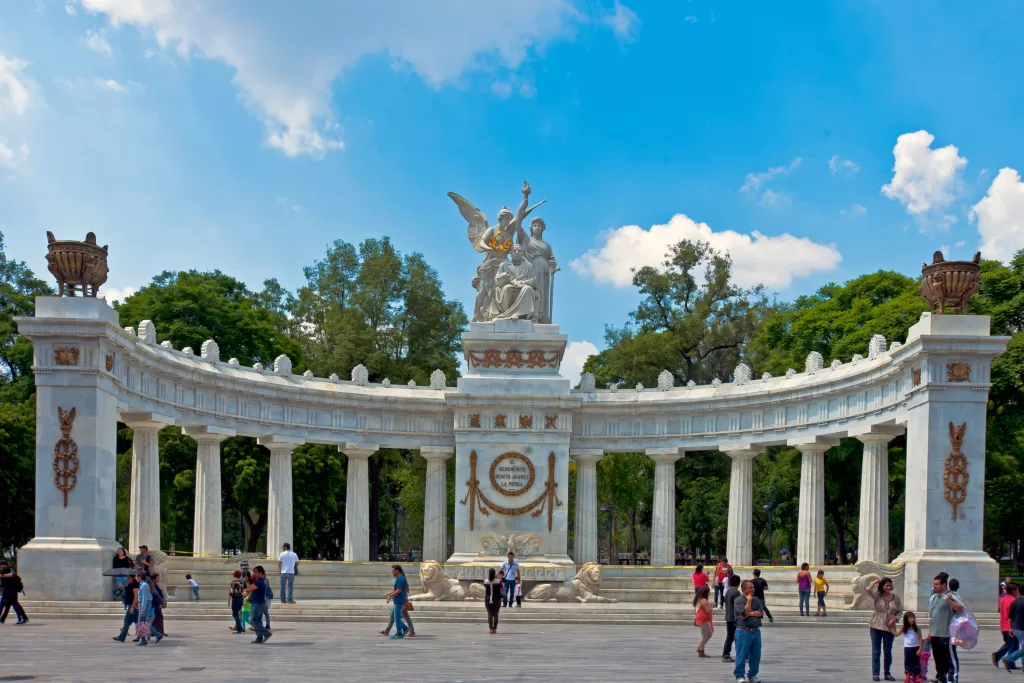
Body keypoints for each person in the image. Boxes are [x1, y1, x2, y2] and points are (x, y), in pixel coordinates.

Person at [929, 571, 964, 683]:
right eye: (933, 584)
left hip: (947, 634)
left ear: (944, 585)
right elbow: (932, 616)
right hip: (935, 634)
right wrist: (930, 631)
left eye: (937, 584)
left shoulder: (951, 596)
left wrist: (949, 600)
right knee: (938, 658)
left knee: (949, 658)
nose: (934, 586)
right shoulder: (933, 597)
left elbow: (960, 609)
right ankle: (941, 677)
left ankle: (952, 678)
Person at [867, 577, 903, 681]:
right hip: (876, 625)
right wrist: (874, 582)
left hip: (889, 627)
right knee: (876, 651)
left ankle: (887, 673)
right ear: (882, 586)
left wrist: (895, 618)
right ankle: (875, 673)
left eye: (890, 585)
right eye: (886, 585)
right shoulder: (878, 596)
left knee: (887, 651)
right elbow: (868, 590)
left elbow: (900, 611)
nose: (888, 587)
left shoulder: (896, 598)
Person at [733, 579, 764, 683]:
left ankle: (753, 675)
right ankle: (740, 675)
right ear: (743, 589)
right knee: (741, 654)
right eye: (750, 588)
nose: (753, 589)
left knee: (756, 655)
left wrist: (749, 613)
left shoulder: (757, 599)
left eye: (753, 587)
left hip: (756, 631)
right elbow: (743, 614)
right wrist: (749, 601)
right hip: (743, 631)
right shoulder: (738, 600)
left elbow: (760, 613)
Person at [994, 582, 1019, 670]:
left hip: (1004, 625)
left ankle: (998, 656)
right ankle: (1008, 662)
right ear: (1013, 591)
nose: (1018, 592)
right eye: (1017, 590)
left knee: (1009, 644)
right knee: (1014, 646)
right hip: (1010, 626)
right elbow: (1011, 615)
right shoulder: (1013, 600)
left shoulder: (1003, 599)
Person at [245, 565, 273, 644]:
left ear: (260, 573)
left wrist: (246, 585)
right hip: (261, 603)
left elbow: (250, 589)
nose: (254, 573)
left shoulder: (259, 581)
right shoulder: (264, 580)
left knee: (253, 620)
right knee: (258, 621)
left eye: (255, 572)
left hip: (257, 604)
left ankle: (266, 633)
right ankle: (259, 637)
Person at [134, 571, 163, 645]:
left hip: (145, 604)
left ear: (139, 577)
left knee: (142, 622)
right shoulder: (143, 585)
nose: (135, 578)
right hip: (144, 604)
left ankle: (153, 636)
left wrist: (142, 609)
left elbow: (145, 598)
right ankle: (144, 638)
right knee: (143, 622)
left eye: (136, 576)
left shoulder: (144, 585)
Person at [1002, 579, 1024, 671]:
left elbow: (1010, 617)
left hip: (1015, 628)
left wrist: (1010, 628)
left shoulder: (1015, 601)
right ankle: (1009, 658)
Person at [383, 565, 410, 640]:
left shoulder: (401, 578)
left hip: (399, 601)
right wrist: (389, 595)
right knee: (392, 616)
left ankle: (399, 633)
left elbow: (399, 590)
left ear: (397, 570)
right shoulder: (399, 578)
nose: (392, 572)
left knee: (397, 618)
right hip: (397, 601)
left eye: (393, 570)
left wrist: (390, 595)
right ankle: (405, 628)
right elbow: (396, 590)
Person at [895, 612, 922, 683]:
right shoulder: (904, 627)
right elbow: (896, 634)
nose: (912, 619)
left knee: (916, 662)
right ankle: (908, 675)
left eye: (913, 617)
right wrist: (890, 627)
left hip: (916, 647)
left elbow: (920, 638)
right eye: (910, 618)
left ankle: (917, 676)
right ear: (906, 619)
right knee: (907, 662)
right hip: (907, 648)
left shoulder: (917, 628)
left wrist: (920, 648)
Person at [112, 573, 140, 642]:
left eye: (128, 578)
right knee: (137, 621)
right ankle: (141, 636)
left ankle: (122, 637)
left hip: (133, 605)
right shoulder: (130, 584)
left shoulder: (135, 585)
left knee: (127, 621)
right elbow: (127, 593)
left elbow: (136, 597)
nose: (127, 579)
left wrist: (132, 607)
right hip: (132, 605)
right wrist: (124, 587)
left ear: (132, 578)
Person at [721, 574, 742, 662]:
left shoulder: (728, 591)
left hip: (728, 617)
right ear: (739, 583)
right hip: (734, 618)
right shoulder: (736, 592)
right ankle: (730, 654)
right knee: (736, 637)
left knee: (730, 637)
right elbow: (738, 606)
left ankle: (726, 654)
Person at [693, 586, 714, 658]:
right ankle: (701, 651)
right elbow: (708, 611)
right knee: (704, 635)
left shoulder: (699, 599)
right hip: (703, 619)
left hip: (701, 618)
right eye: (708, 592)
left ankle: (700, 647)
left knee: (709, 634)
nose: (709, 593)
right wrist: (711, 606)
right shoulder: (704, 600)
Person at [484, 568, 502, 633]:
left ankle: (490, 629)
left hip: (488, 599)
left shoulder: (486, 581)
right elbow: (501, 586)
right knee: (496, 614)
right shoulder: (497, 581)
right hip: (496, 599)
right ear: (494, 574)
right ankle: (495, 629)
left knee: (490, 614)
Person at [229, 569, 246, 634]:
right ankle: (240, 627)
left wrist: (229, 599)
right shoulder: (242, 582)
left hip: (235, 599)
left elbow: (231, 592)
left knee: (235, 614)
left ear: (234, 575)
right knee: (237, 613)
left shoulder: (233, 582)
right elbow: (243, 591)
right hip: (240, 598)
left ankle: (240, 628)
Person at [150, 572, 167, 638]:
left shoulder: (154, 584)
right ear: (154, 578)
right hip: (156, 604)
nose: (158, 579)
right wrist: (160, 603)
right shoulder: (154, 585)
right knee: (158, 618)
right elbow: (156, 595)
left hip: (155, 604)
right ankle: (159, 631)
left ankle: (154, 631)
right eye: (157, 578)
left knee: (155, 618)